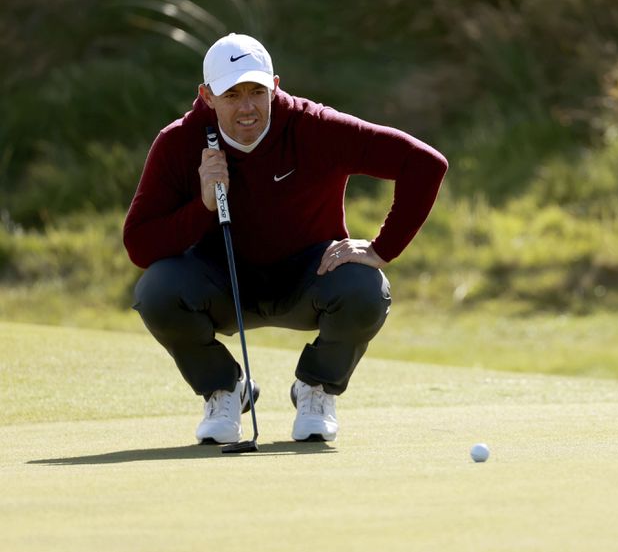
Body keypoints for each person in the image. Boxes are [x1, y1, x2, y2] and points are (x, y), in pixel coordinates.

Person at [123, 33, 448, 445]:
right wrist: (202, 206)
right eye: (232, 94)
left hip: (308, 277)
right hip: (223, 283)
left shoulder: (315, 127)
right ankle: (225, 391)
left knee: (367, 289)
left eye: (257, 91)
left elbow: (424, 164)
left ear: (275, 87)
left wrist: (383, 249)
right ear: (206, 96)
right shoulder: (179, 142)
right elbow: (139, 244)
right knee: (156, 290)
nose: (246, 107)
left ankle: (317, 388)